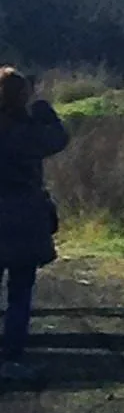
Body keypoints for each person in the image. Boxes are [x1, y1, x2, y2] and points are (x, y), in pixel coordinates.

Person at [0, 66, 68, 380]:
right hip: (24, 214)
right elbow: (58, 139)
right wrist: (43, 110)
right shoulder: (29, 131)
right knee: (20, 291)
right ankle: (11, 356)